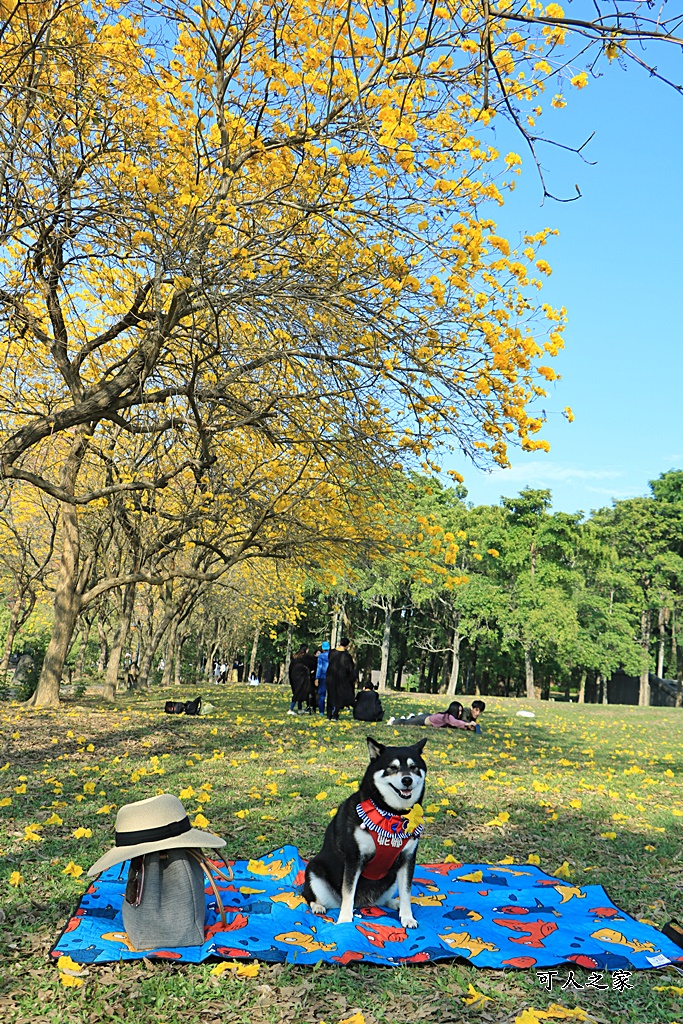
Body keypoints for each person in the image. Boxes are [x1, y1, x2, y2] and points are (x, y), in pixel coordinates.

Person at [388, 700, 476, 730]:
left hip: (428, 716)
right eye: (458, 711)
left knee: (410, 720)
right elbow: (455, 723)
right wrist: (468, 724)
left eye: (461, 711)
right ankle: (393, 721)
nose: (460, 713)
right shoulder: (449, 717)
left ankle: (412, 717)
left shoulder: (448, 716)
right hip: (423, 720)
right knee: (406, 723)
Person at [326, 637, 357, 720]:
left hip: (330, 677)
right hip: (341, 678)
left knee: (330, 695)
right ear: (347, 646)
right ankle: (335, 715)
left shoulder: (332, 652)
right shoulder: (346, 655)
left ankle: (329, 715)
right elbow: (350, 668)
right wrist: (353, 677)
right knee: (339, 696)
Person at [288, 644, 317, 714]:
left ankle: (299, 709)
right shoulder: (306, 657)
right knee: (299, 692)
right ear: (306, 649)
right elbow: (313, 663)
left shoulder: (296, 657)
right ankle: (290, 709)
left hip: (294, 677)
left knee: (299, 691)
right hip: (302, 677)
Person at [315, 641, 330, 714]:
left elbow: (319, 667)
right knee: (331, 694)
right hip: (331, 677)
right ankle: (331, 710)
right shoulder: (332, 655)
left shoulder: (321, 656)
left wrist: (317, 677)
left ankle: (321, 711)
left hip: (323, 676)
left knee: (322, 695)